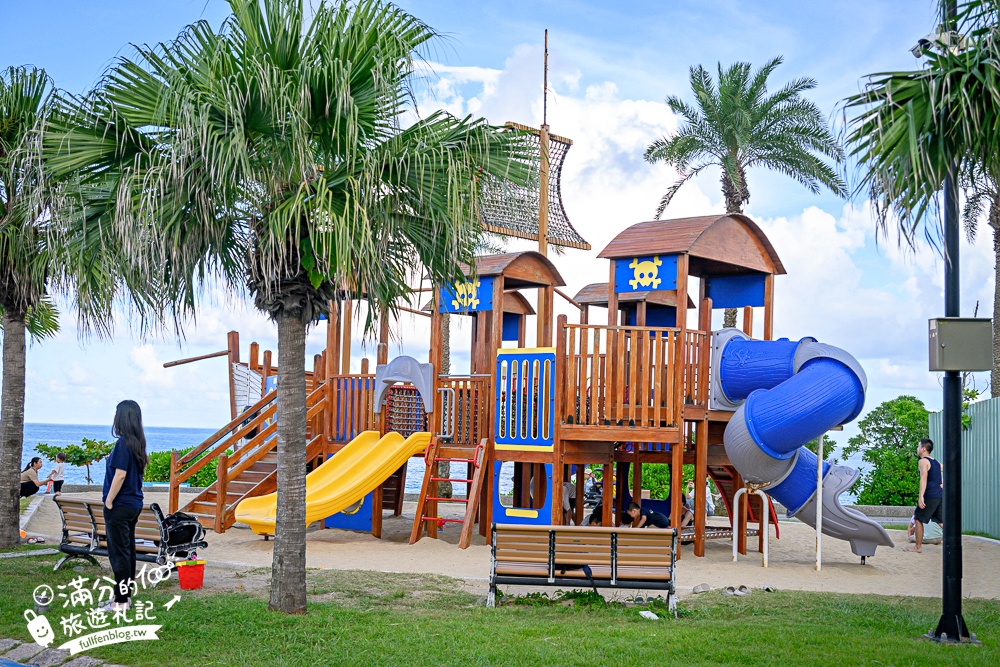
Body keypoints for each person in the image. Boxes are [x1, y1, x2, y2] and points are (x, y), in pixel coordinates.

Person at [100, 400, 149, 612]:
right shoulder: (137, 443)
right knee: (127, 551)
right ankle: (124, 597)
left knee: (118, 553)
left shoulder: (123, 443)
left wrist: (109, 500)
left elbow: (120, 475)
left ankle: (120, 601)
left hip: (120, 506)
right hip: (134, 503)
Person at [906, 438, 943, 553]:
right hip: (939, 495)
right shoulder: (936, 462)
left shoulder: (923, 461)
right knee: (941, 521)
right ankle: (954, 542)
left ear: (923, 448)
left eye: (918, 447)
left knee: (918, 518)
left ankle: (918, 547)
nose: (917, 449)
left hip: (930, 495)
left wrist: (921, 496)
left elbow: (923, 479)